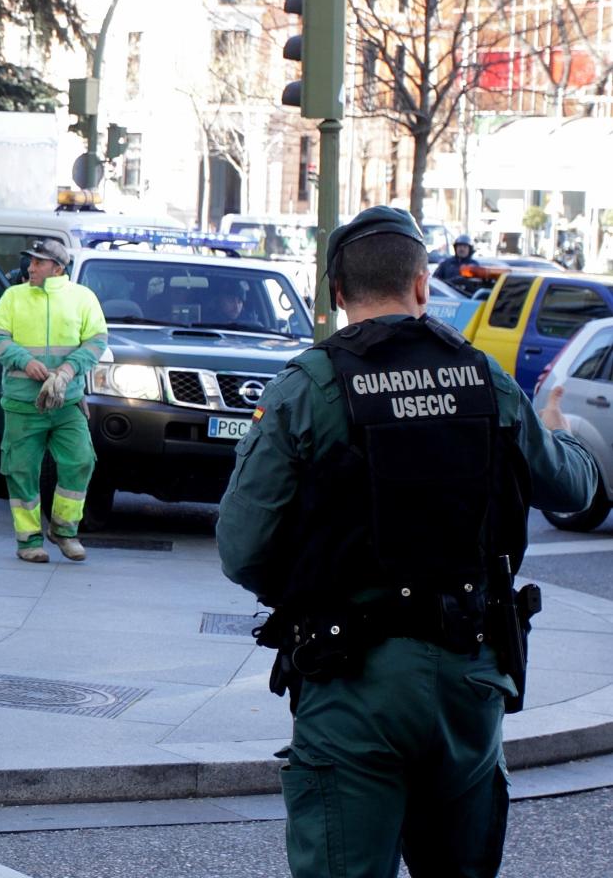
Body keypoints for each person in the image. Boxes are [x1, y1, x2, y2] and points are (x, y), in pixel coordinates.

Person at [217, 206, 598, 877]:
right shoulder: (484, 378)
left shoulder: (308, 387)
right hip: (469, 679)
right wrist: (559, 430)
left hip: (352, 681)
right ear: (423, 284)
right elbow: (573, 488)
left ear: (337, 294)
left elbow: (242, 549)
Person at [0, 237, 107, 563]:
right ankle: (28, 542)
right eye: (31, 261)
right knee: (21, 470)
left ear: (57, 267)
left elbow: (97, 341)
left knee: (81, 460)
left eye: (38, 262)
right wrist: (24, 361)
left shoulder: (82, 298)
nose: (31, 267)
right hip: (23, 404)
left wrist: (68, 371)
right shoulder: (14, 297)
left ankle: (64, 531)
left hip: (67, 403)